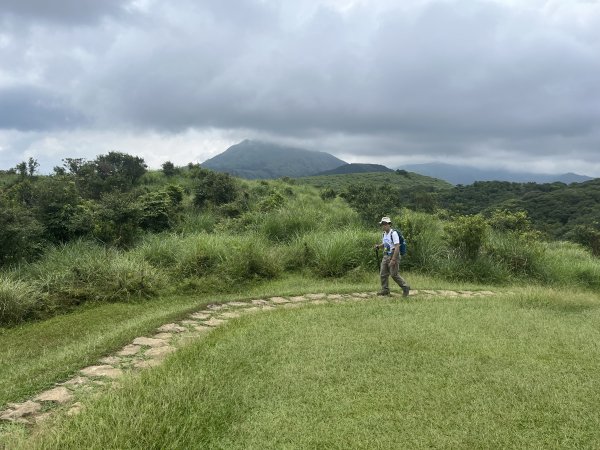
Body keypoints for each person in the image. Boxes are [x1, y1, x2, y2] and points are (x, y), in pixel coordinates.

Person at [374, 216, 410, 297]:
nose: (383, 226)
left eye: (385, 224)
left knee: (394, 274)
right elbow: (386, 244)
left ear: (389, 224)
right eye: (382, 224)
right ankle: (385, 290)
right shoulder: (384, 234)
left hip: (394, 255)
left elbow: (397, 246)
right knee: (383, 273)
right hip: (386, 255)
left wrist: (393, 259)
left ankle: (405, 287)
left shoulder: (394, 233)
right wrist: (379, 246)